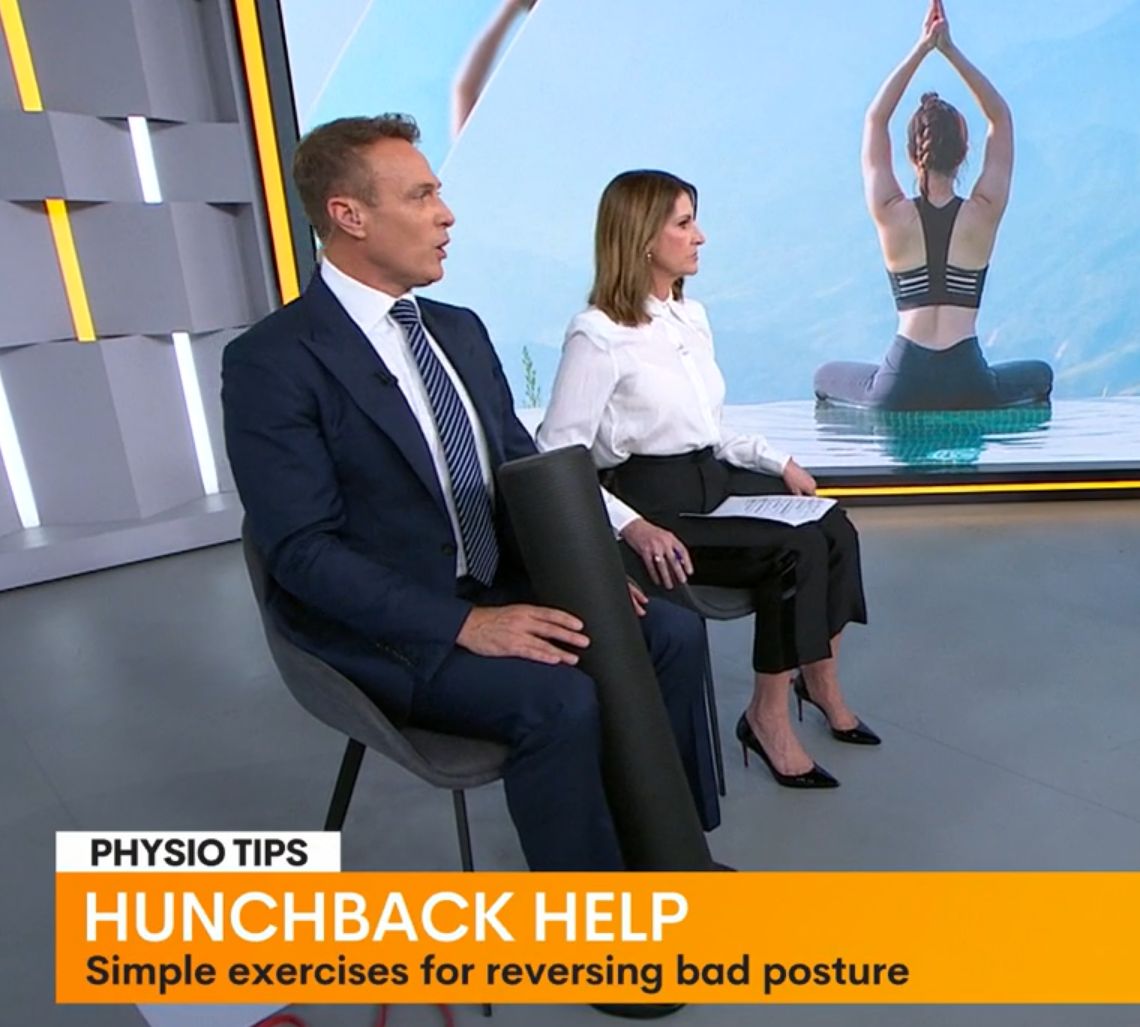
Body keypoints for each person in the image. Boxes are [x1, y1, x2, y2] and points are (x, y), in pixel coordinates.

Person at [221, 115, 720, 893]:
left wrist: (588, 572)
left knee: (674, 634)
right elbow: (302, 554)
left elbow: (523, 471)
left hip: (499, 585)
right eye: (421, 196)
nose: (446, 215)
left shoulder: (457, 330)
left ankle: (672, 860)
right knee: (558, 700)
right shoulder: (272, 361)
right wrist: (464, 625)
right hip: (392, 627)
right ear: (349, 215)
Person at [537, 169, 877, 792]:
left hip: (710, 481)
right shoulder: (599, 335)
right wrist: (630, 527)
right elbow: (558, 454)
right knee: (795, 548)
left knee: (833, 524)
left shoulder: (690, 317)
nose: (701, 237)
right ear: (643, 237)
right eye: (684, 223)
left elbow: (708, 427)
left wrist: (778, 461)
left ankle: (819, 681)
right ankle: (767, 718)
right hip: (654, 504)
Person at [814, 0, 1052, 411]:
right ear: (964, 153)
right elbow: (1000, 118)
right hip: (969, 381)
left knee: (824, 376)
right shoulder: (984, 208)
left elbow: (875, 119)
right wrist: (949, 49)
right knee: (1041, 373)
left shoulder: (890, 210)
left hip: (900, 382)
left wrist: (922, 47)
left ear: (912, 154)